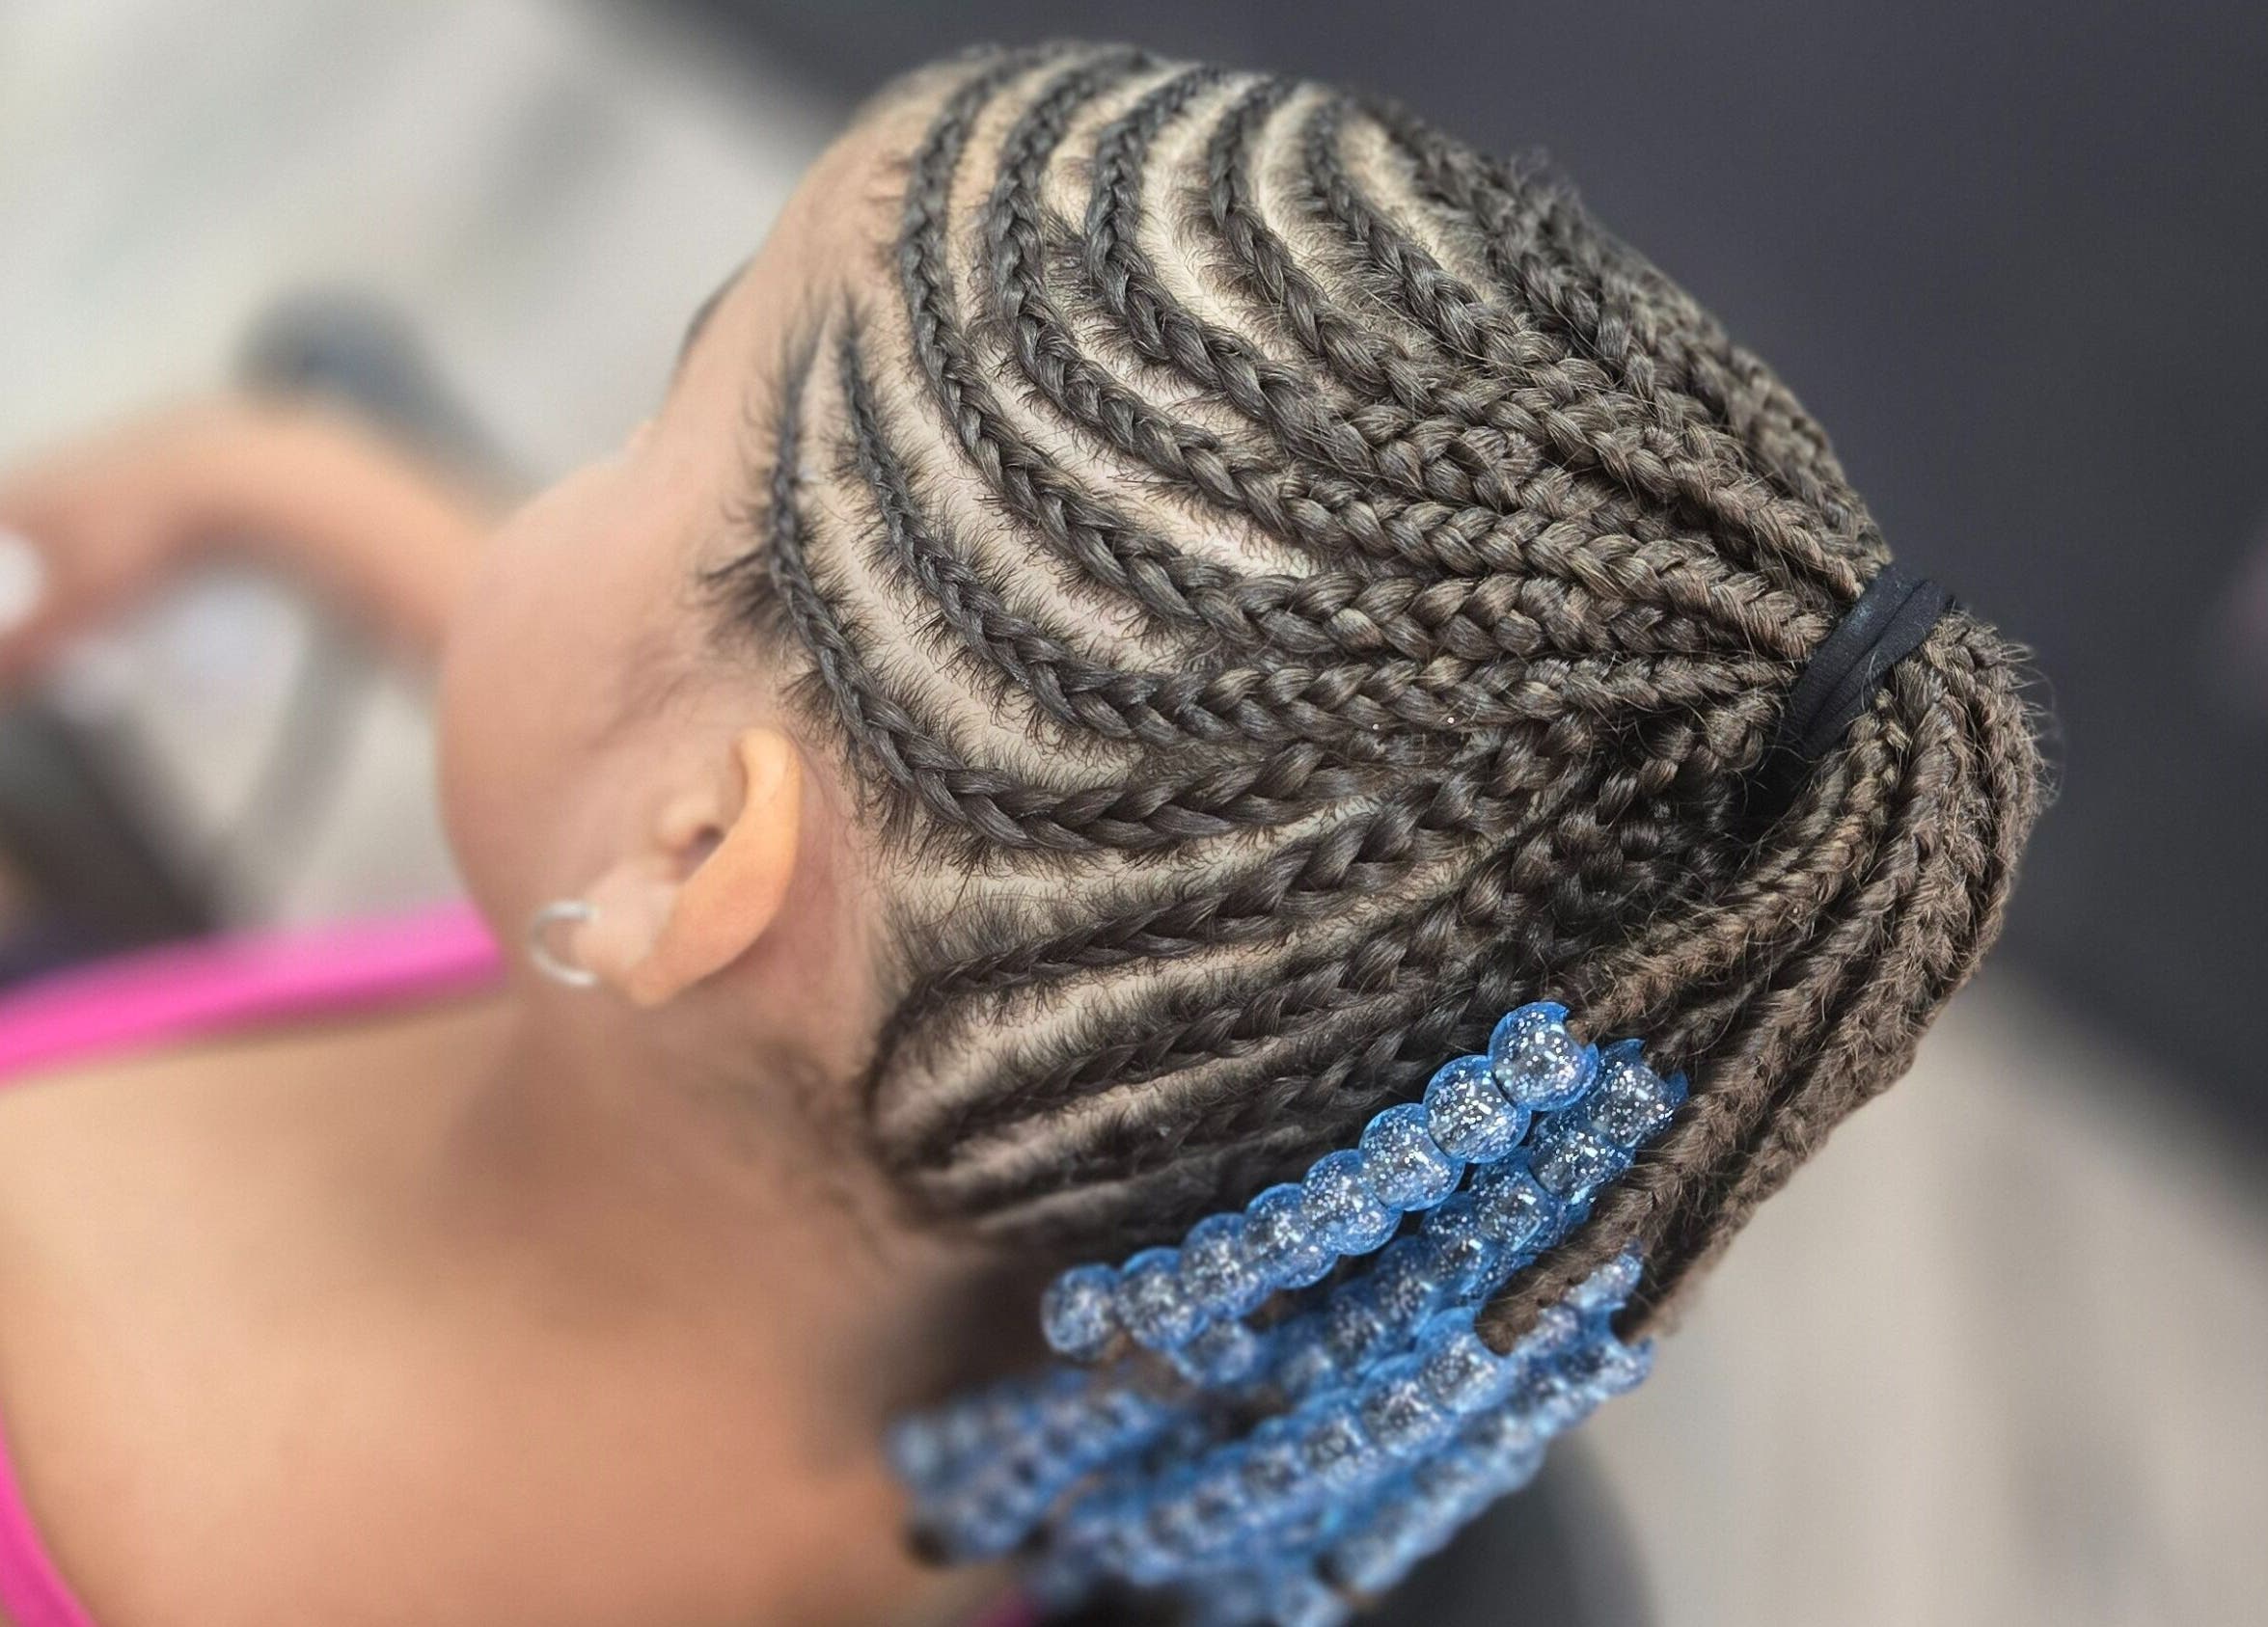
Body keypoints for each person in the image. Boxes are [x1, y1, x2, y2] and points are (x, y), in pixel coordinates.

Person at [0, 43, 2043, 1627]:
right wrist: (284, 484)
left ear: (695, 867)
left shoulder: (88, 1388)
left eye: (650, 424)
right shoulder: (1062, 1295)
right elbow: (729, 777)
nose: (575, 475)